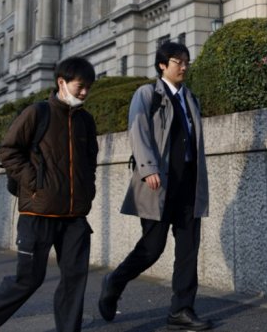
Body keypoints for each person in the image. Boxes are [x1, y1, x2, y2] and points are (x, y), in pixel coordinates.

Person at [0, 57, 99, 332]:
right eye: (80, 86)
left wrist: (88, 191)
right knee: (29, 278)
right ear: (61, 82)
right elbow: (8, 151)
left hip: (75, 216)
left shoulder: (85, 121)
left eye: (89, 87)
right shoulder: (37, 113)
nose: (85, 92)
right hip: (37, 212)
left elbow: (90, 160)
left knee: (75, 278)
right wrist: (34, 183)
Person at [98, 41, 211, 330]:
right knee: (152, 249)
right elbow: (139, 131)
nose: (184, 66)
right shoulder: (148, 94)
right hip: (158, 185)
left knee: (188, 250)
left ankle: (181, 310)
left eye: (186, 61)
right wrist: (148, 168)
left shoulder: (191, 98)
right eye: (178, 61)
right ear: (163, 64)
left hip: (188, 183)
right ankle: (115, 281)